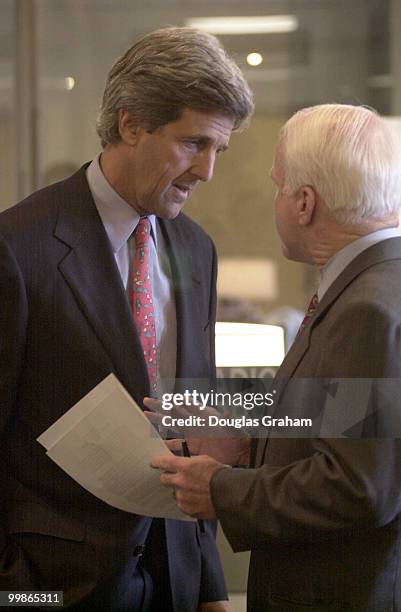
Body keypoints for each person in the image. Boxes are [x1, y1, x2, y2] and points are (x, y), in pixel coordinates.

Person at [0, 27, 253, 611]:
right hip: (52, 586)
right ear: (131, 124)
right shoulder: (18, 248)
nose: (209, 171)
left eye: (220, 149)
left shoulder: (197, 249)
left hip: (177, 583)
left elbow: (194, 428)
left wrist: (210, 584)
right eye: (194, 144)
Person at [150, 104, 401, 611]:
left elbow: (358, 487)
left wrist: (221, 489)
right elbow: (348, 438)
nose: (276, 203)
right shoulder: (373, 287)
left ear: (305, 202)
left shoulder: (369, 307)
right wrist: (252, 445)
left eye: (277, 187)